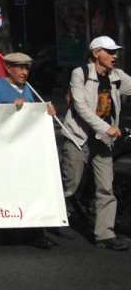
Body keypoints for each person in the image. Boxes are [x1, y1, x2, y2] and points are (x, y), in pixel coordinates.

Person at [60, 37, 131, 250]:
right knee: (71, 183)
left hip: (102, 140)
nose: (115, 56)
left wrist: (106, 131)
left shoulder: (116, 76)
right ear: (96, 53)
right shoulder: (80, 73)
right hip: (79, 136)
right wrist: (105, 127)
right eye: (109, 52)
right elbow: (81, 108)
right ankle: (51, 219)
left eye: (115, 52)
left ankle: (105, 234)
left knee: (106, 187)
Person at [0, 51, 58, 249]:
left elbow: (34, 114)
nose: (24, 72)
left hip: (26, 148)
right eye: (20, 68)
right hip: (4, 148)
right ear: (8, 68)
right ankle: (6, 230)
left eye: (26, 68)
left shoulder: (28, 89)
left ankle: (35, 232)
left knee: (31, 188)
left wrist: (47, 111)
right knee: (7, 189)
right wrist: (10, 107)